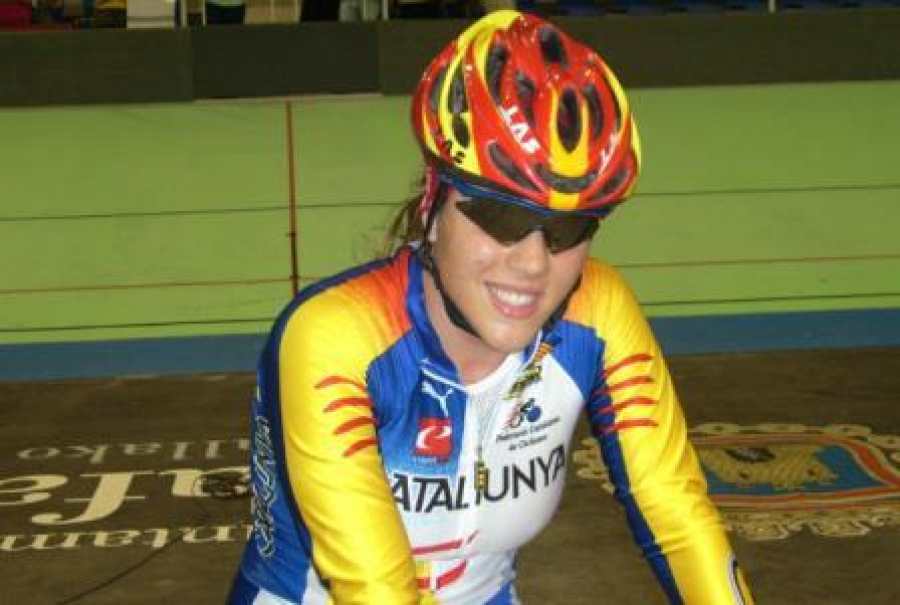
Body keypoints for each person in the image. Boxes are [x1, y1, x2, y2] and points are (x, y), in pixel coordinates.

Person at [228, 10, 754, 605]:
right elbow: (375, 589)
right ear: (432, 205)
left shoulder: (599, 311)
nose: (532, 263)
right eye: (502, 218)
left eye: (568, 229)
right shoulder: (336, 334)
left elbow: (678, 517)